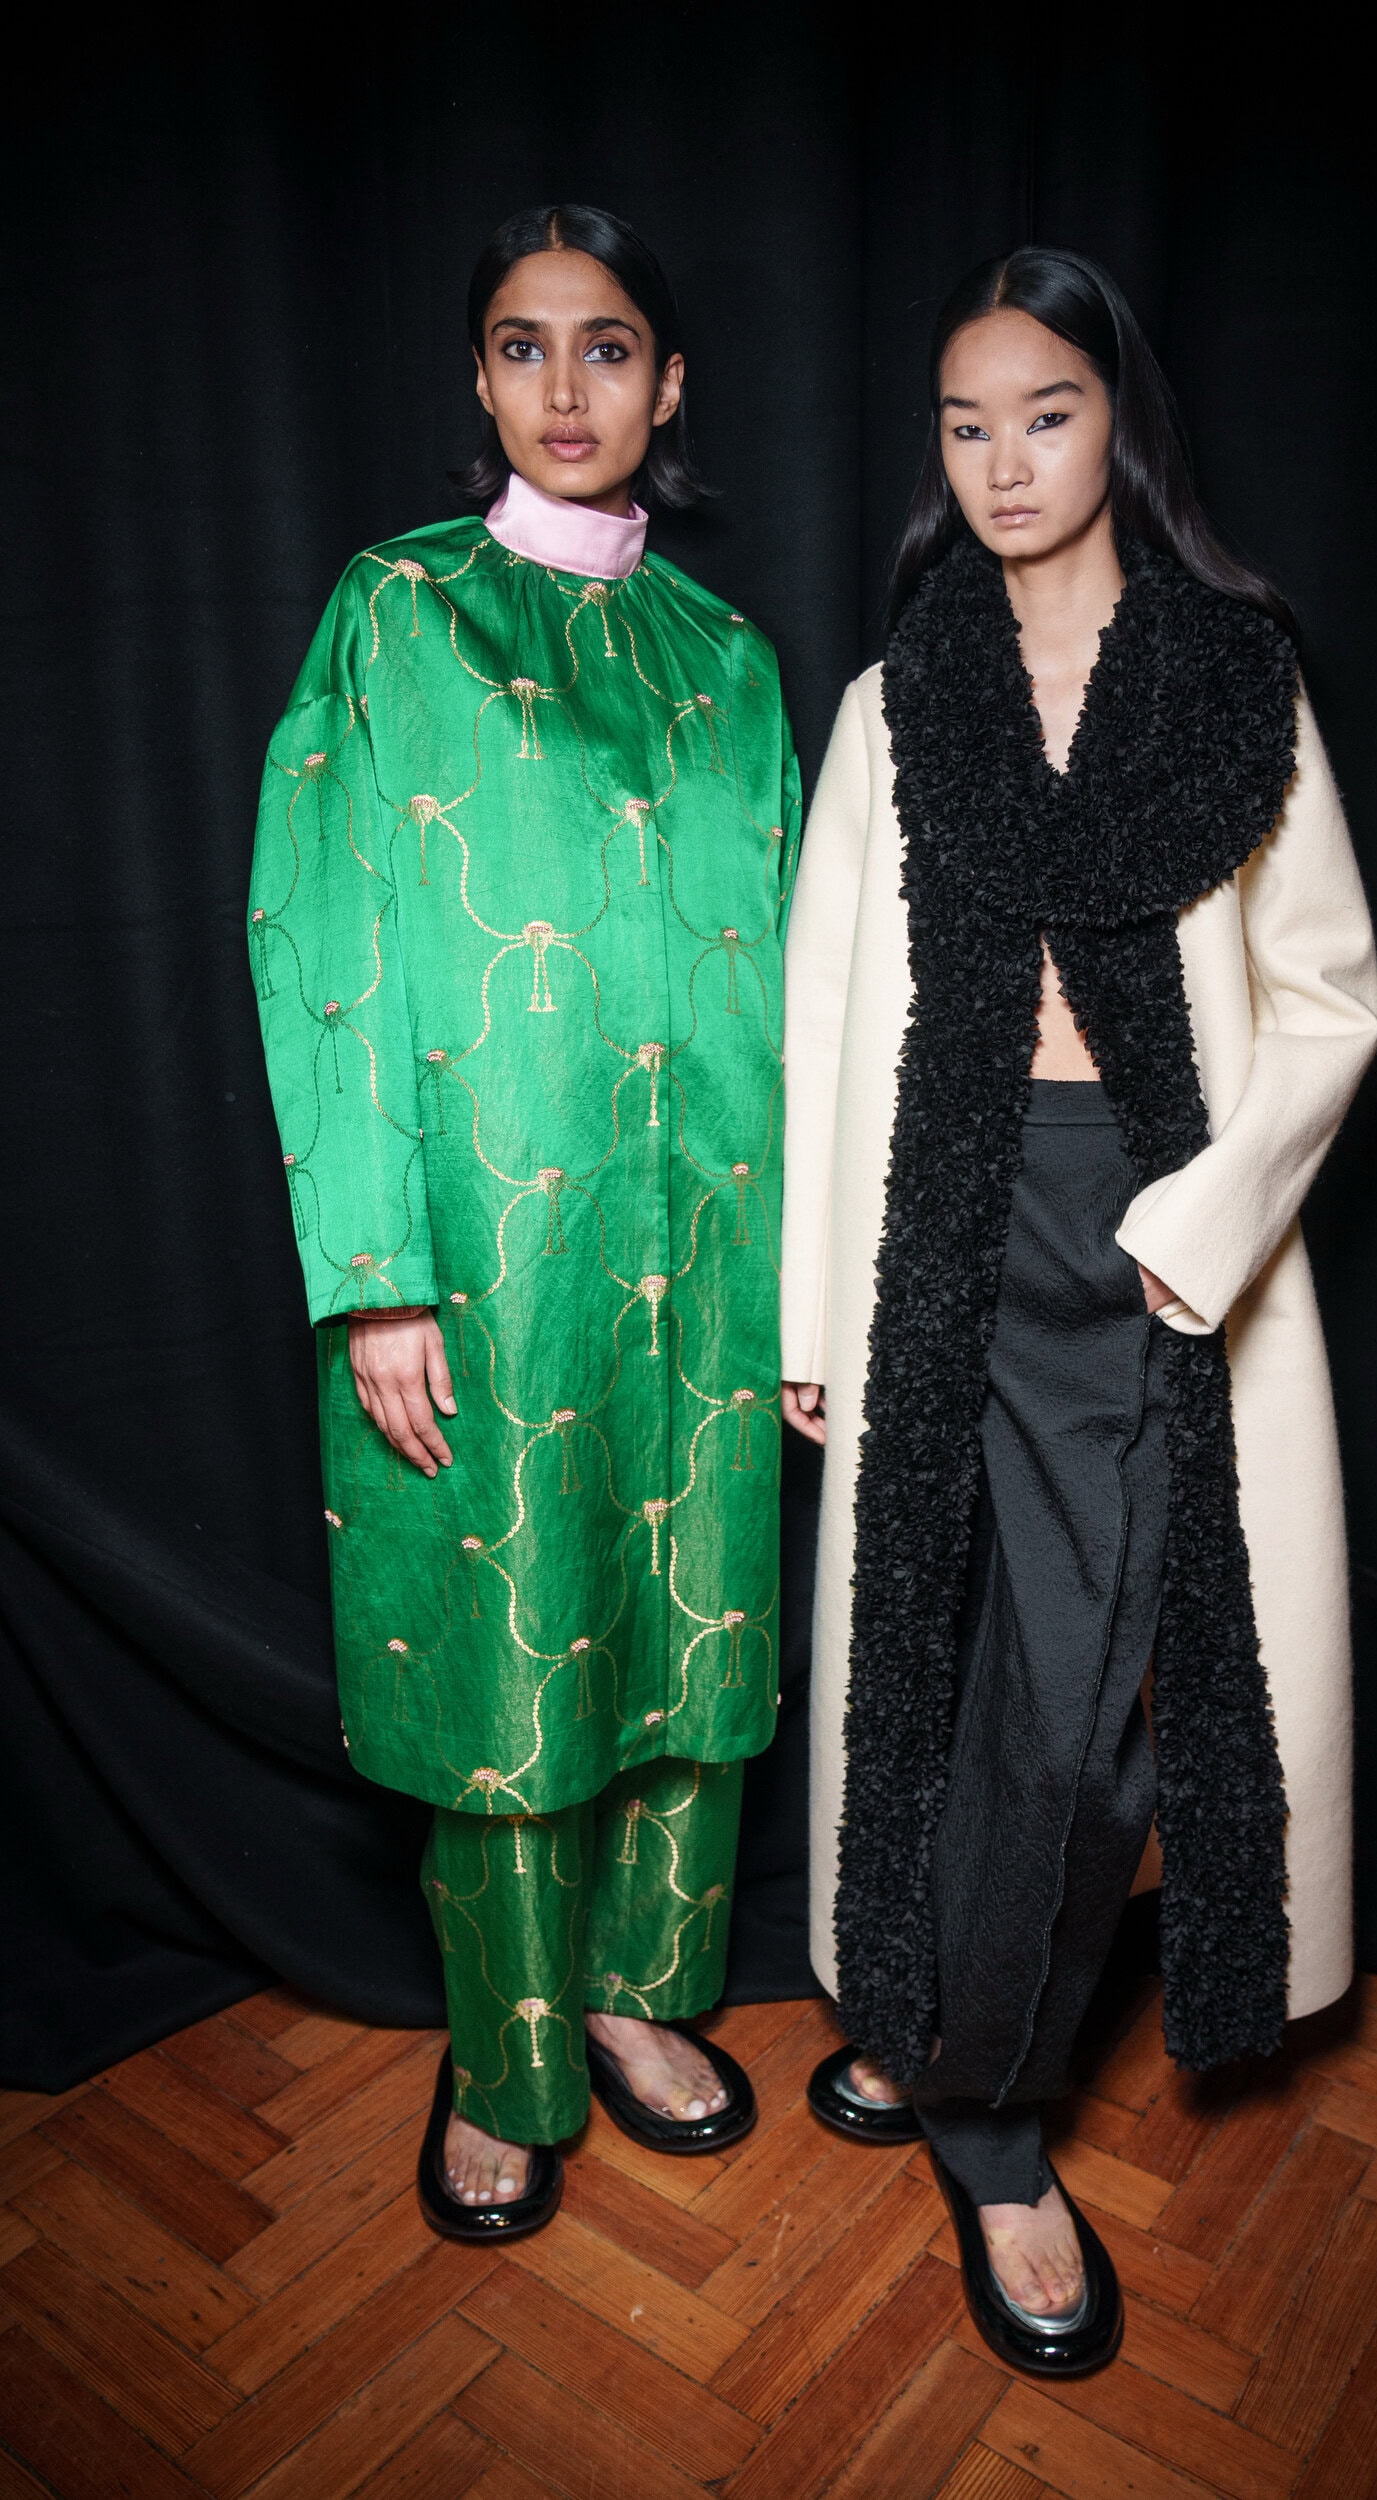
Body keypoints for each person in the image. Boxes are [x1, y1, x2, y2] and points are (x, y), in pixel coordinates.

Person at [780, 247, 1377, 2373]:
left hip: (1151, 1235)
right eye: (964, 424)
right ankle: (954, 2029)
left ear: (1115, 417)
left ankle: (979, 2108)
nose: (1003, 460)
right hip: (931, 1227)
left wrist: (1203, 1219)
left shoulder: (1232, 679)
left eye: (1042, 412)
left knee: (1084, 1694)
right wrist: (809, 1308)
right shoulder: (897, 697)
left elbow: (1327, 996)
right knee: (950, 1666)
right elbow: (823, 1010)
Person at [250, 204, 800, 2239]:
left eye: (607, 345)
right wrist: (372, 1273)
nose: (565, 387)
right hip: (483, 1249)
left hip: (713, 1235)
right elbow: (320, 939)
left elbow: (807, 963)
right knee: (505, 1643)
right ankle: (506, 2052)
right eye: (520, 344)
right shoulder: (395, 609)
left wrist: (813, 1272)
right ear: (477, 378)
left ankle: (646, 1992)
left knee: (692, 1614)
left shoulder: (729, 660)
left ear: (669, 382)